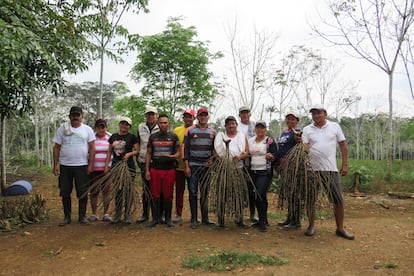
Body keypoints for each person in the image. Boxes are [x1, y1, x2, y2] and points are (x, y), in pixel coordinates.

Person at [302, 106, 354, 240]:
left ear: (325, 114)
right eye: (313, 114)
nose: (316, 116)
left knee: (338, 200)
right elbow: (305, 147)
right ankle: (311, 226)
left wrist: (344, 164)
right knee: (311, 199)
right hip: (312, 169)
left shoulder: (335, 126)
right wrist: (303, 147)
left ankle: (340, 228)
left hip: (330, 169)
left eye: (318, 113)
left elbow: (342, 145)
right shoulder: (307, 130)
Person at [53, 106, 96, 226]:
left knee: (82, 192)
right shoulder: (62, 128)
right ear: (69, 116)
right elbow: (57, 147)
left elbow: (92, 148)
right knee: (65, 191)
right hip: (65, 165)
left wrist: (90, 165)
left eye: (78, 115)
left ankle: (82, 217)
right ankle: (67, 217)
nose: (75, 118)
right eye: (73, 115)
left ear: (82, 117)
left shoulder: (87, 130)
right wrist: (55, 165)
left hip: (82, 165)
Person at [214, 116, 250, 228]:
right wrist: (223, 161)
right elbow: (215, 152)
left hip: (237, 169)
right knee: (222, 194)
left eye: (233, 123)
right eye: (229, 124)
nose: (231, 126)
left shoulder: (241, 136)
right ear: (225, 126)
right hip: (223, 170)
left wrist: (239, 157)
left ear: (236, 125)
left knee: (239, 193)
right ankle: (220, 220)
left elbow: (246, 152)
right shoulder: (220, 137)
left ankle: (239, 218)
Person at [183, 107, 216, 229]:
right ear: (197, 117)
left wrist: (212, 160)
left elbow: (214, 149)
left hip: (206, 167)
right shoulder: (190, 131)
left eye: (205, 115)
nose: (203, 117)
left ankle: (205, 218)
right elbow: (185, 148)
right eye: (201, 115)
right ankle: (194, 219)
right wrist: (186, 166)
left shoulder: (212, 132)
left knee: (205, 192)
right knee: (193, 192)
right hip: (193, 166)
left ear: (208, 117)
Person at [145, 114, 180, 228]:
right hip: (155, 168)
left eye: (165, 122)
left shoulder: (174, 137)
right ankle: (155, 218)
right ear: (158, 124)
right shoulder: (153, 137)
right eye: (161, 123)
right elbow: (149, 153)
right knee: (155, 194)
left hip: (169, 169)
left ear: (169, 124)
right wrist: (147, 170)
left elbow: (178, 152)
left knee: (168, 194)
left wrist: (174, 156)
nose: (163, 125)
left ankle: (168, 218)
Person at [104, 117, 139, 224]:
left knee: (127, 190)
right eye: (122, 124)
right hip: (116, 166)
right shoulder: (113, 136)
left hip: (128, 166)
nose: (124, 126)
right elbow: (110, 152)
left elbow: (137, 150)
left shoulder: (132, 137)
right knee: (118, 190)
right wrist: (107, 166)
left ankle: (127, 215)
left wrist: (129, 154)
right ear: (119, 125)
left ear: (129, 127)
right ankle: (118, 215)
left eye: (127, 124)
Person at [248, 121, 277, 232]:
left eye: (262, 128)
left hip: (265, 172)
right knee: (259, 196)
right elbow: (247, 152)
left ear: (265, 129)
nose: (260, 130)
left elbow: (275, 154)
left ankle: (262, 223)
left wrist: (271, 156)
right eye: (258, 128)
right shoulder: (251, 141)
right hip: (253, 171)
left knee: (259, 194)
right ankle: (263, 219)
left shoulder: (269, 141)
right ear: (255, 129)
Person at [276, 113, 302, 229]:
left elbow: (299, 139)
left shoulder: (297, 131)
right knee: (287, 192)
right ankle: (289, 217)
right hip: (283, 166)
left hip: (292, 165)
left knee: (294, 192)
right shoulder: (284, 133)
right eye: (288, 119)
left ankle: (296, 220)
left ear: (297, 121)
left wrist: (298, 136)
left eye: (292, 119)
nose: (290, 121)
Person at [136, 106, 160, 223]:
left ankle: (159, 215)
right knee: (145, 189)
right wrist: (138, 157)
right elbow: (138, 143)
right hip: (143, 161)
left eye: (153, 114)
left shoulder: (160, 126)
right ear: (145, 115)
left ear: (156, 115)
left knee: (157, 189)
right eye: (148, 114)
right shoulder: (141, 127)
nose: (150, 116)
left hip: (157, 161)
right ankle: (145, 214)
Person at [172, 109, 195, 223]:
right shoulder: (177, 130)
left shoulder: (196, 129)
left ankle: (194, 215)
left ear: (193, 118)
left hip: (193, 166)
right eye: (186, 117)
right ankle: (178, 214)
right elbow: (173, 145)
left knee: (193, 191)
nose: (188, 119)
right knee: (179, 191)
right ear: (183, 118)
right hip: (178, 166)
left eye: (190, 117)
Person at [88, 119, 112, 222]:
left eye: (103, 127)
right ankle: (94, 214)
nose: (101, 129)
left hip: (107, 170)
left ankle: (106, 214)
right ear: (96, 128)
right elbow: (87, 152)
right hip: (94, 170)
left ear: (106, 128)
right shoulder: (91, 138)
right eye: (99, 127)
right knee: (94, 191)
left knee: (106, 191)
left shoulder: (111, 138)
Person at [237, 105, 258, 222]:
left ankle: (252, 213)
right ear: (239, 115)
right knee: (240, 187)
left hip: (254, 160)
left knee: (252, 188)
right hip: (240, 160)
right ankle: (239, 213)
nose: (245, 115)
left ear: (250, 114)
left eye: (247, 113)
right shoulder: (236, 127)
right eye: (242, 113)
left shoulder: (255, 126)